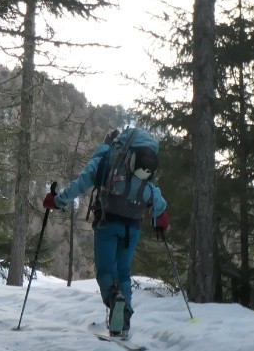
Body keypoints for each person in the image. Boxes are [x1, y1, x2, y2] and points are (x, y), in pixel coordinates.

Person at [44, 127, 169, 338]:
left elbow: (80, 184)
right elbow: (155, 197)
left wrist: (57, 201)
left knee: (105, 272)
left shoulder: (106, 159)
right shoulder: (141, 164)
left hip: (107, 222)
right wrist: (160, 218)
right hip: (133, 226)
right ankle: (124, 319)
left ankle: (114, 300)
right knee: (123, 272)